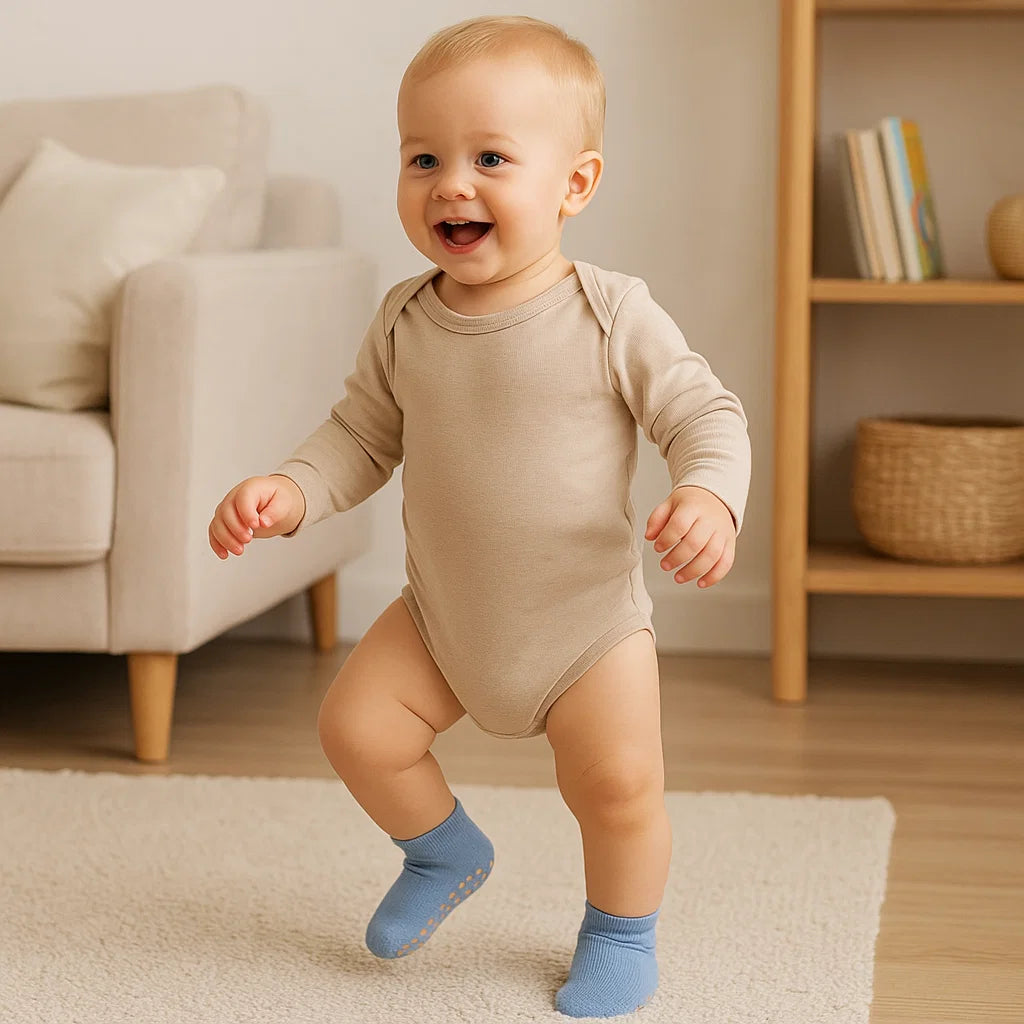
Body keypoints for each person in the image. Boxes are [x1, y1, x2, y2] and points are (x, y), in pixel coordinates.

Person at [208, 14, 751, 1019]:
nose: (450, 184)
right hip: (443, 617)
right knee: (356, 729)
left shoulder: (610, 312)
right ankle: (441, 849)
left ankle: (619, 933)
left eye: (490, 158)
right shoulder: (404, 319)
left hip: (584, 629)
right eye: (424, 158)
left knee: (618, 788)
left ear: (574, 184)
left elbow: (702, 413)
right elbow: (359, 436)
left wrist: (709, 493)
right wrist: (292, 491)